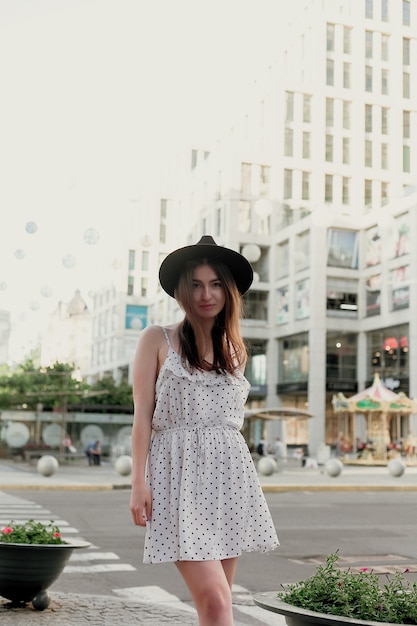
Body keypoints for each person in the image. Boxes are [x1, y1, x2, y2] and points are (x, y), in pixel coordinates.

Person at [129, 235, 279, 626]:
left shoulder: (235, 349)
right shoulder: (156, 339)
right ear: (182, 290)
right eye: (195, 284)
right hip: (176, 476)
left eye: (215, 284)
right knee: (215, 600)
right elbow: (142, 415)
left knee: (217, 603)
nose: (205, 294)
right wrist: (138, 483)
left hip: (229, 476)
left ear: (228, 291)